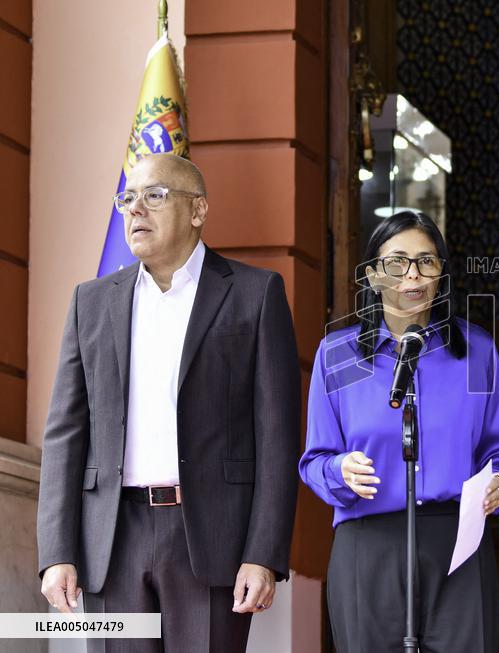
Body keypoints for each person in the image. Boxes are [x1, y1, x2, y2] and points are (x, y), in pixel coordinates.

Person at [37, 153, 301, 653]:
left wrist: (263, 554)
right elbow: (65, 433)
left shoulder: (254, 293)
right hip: (112, 538)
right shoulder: (90, 302)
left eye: (155, 196)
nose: (136, 210)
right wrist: (56, 552)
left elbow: (277, 435)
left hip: (210, 536)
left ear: (198, 209)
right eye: (127, 199)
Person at [299, 210, 499, 653]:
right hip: (368, 546)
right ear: (373, 274)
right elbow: (315, 461)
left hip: (457, 546)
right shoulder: (335, 354)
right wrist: (341, 470)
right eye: (397, 262)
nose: (413, 275)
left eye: (427, 261)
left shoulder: (476, 350)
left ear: (441, 273)